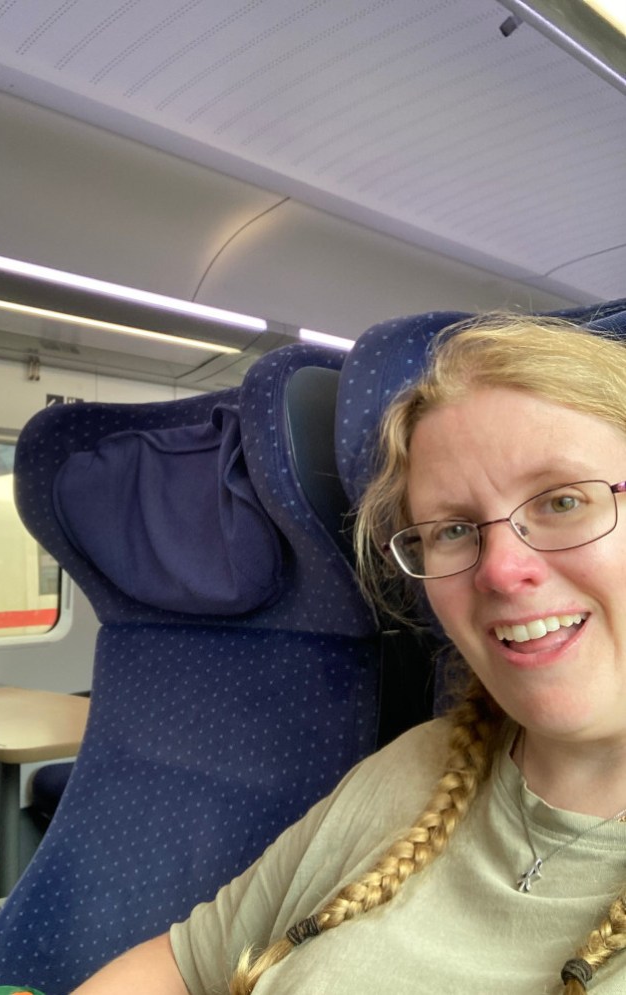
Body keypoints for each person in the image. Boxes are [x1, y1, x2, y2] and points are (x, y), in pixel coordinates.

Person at [72, 313, 626, 995]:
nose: (500, 571)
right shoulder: (417, 766)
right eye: (452, 529)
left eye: (564, 500)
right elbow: (184, 964)